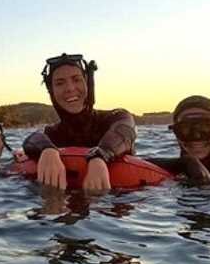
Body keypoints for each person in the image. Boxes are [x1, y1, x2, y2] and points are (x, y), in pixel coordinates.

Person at [23, 53, 137, 190]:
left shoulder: (116, 118)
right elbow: (32, 138)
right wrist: (46, 150)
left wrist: (101, 155)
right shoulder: (51, 135)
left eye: (76, 80)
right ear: (51, 91)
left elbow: (125, 130)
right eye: (60, 83)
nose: (70, 88)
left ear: (87, 83)